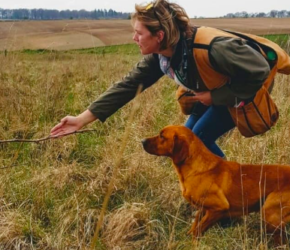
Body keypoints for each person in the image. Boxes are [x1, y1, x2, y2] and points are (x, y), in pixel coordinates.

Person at [50, 0, 271, 158]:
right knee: (185, 142)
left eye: (139, 33)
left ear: (160, 36)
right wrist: (81, 119)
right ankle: (211, 195)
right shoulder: (162, 56)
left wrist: (216, 96)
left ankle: (233, 197)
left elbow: (260, 70)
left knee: (196, 141)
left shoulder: (211, 47)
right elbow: (128, 85)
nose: (133, 38)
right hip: (211, 91)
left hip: (239, 91)